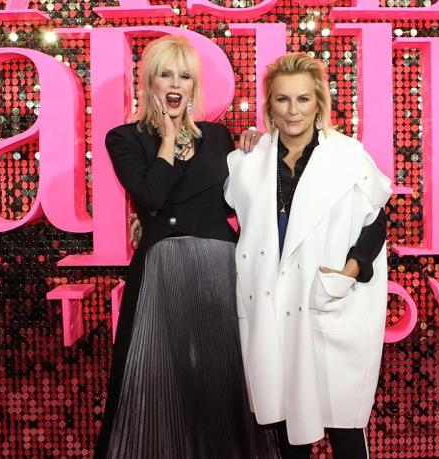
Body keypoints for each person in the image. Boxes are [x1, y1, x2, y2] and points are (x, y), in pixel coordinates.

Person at [94, 35, 278, 459]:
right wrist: (168, 138)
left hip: (220, 265)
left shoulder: (219, 136)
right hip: (162, 268)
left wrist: (256, 150)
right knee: (159, 376)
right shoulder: (123, 138)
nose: (175, 84)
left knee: (223, 375)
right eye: (165, 74)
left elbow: (238, 200)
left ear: (194, 86)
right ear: (149, 84)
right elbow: (152, 195)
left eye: (185, 76)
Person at [225, 53, 392, 459]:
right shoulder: (249, 161)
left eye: (302, 99)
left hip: (328, 299)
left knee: (343, 421)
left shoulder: (348, 155)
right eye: (282, 100)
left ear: (318, 102)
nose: (293, 110)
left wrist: (348, 272)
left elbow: (377, 222)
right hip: (271, 303)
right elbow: (218, 214)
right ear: (269, 105)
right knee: (286, 424)